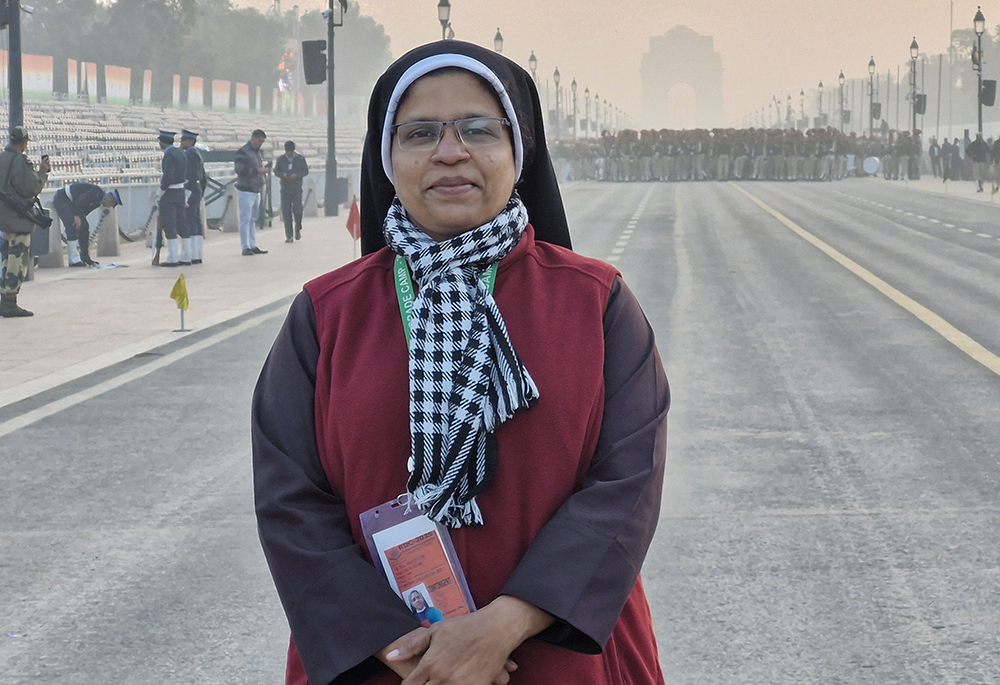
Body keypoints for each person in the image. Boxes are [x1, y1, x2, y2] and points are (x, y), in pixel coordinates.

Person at [253, 40, 670, 685]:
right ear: (387, 157)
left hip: (558, 653)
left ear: (518, 151)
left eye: (478, 129)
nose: (451, 152)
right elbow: (290, 499)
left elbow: (626, 484)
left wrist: (506, 623)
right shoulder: (326, 315)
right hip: (383, 662)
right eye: (420, 133)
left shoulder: (596, 302)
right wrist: (408, 648)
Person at [0, 126, 50, 318]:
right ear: (23, 143)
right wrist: (42, 173)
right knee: (17, 260)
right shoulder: (20, 162)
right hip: (18, 219)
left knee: (6, 259)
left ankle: (4, 298)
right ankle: (10, 302)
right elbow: (31, 188)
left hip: (3, 219)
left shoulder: (2, 158)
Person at [52, 183, 122, 267]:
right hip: (63, 198)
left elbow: (85, 211)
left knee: (84, 227)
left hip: (73, 203)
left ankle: (85, 256)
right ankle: (73, 259)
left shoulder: (98, 201)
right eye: (111, 204)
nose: (109, 206)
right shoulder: (97, 192)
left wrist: (81, 219)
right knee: (72, 225)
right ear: (110, 199)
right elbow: (81, 200)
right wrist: (77, 215)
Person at [234, 128, 269, 256]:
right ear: (253, 138)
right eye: (259, 141)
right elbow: (239, 169)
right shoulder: (243, 152)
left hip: (256, 188)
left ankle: (252, 244)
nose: (260, 144)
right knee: (246, 218)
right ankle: (245, 246)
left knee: (252, 218)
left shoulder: (257, 153)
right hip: (245, 189)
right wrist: (256, 171)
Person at [156, 130, 186, 266]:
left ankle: (173, 257)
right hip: (181, 192)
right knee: (182, 224)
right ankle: (186, 255)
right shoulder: (181, 153)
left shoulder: (169, 155)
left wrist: (161, 190)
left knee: (170, 225)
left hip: (170, 193)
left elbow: (168, 176)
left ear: (162, 142)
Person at [179, 129, 207, 264]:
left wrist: (187, 194)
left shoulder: (191, 156)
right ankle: (196, 254)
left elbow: (191, 176)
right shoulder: (195, 154)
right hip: (196, 190)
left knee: (190, 221)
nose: (182, 143)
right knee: (195, 222)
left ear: (190, 142)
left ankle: (189, 254)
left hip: (190, 190)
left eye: (184, 140)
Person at [274, 140, 309, 242]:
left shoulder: (300, 158)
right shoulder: (281, 159)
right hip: (285, 188)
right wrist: (283, 175)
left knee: (298, 210)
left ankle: (298, 227)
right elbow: (276, 171)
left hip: (297, 187)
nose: (289, 153)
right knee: (286, 212)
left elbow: (305, 171)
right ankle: (289, 235)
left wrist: (297, 175)